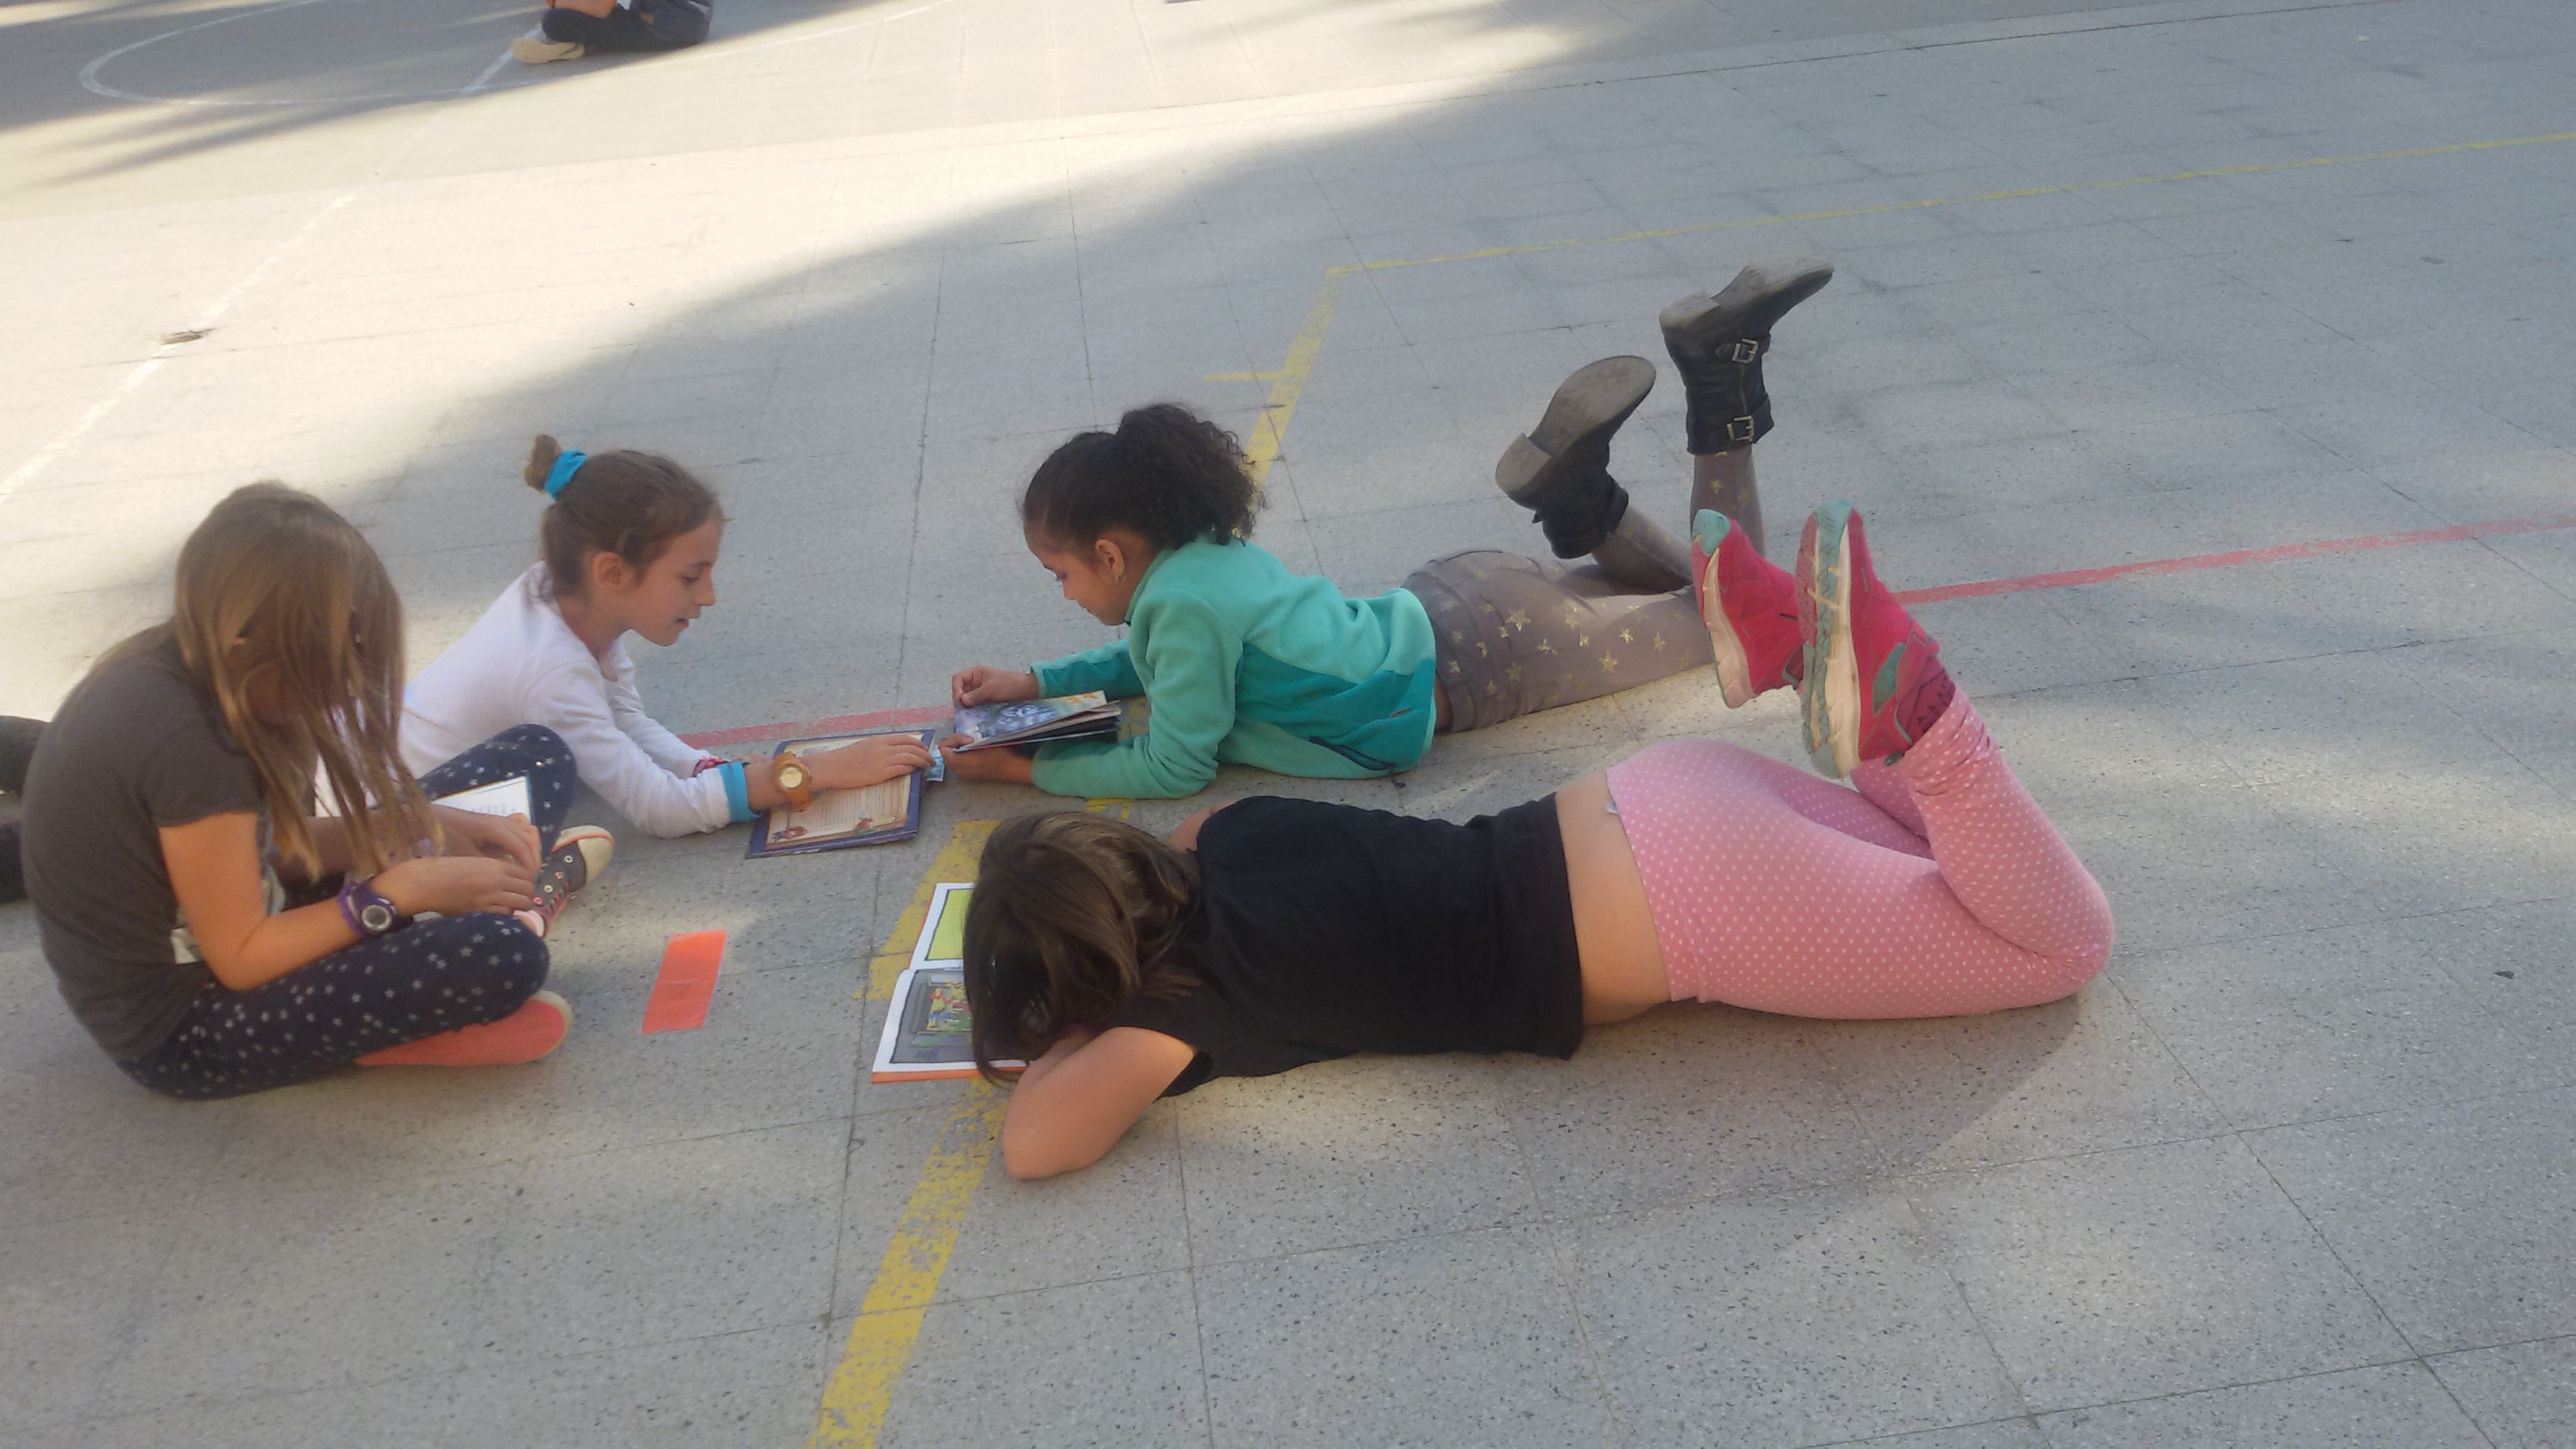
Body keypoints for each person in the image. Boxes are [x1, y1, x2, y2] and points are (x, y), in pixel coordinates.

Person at [958, 500, 2115, 1178]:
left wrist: (1072, 1014)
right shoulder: (1234, 836)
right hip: (1653, 796)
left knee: (2059, 951)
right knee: (1935, 864)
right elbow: (1190, 823)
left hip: (1691, 901)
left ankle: (1925, 717)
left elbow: (1034, 1144)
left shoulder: (1180, 1008)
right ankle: (1806, 648)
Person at [943, 256, 1835, 799]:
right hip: (1462, 602)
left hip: (1492, 654)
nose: (1064, 592)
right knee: (1704, 597)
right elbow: (1150, 660)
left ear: (1110, 554)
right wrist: (1035, 680)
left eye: (1062, 573)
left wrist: (1031, 770)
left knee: (1742, 615)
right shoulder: (1197, 560)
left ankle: (1716, 381)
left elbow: (1176, 767)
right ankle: (1581, 502)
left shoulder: (1179, 607)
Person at [21, 485, 617, 1100]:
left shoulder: (208, 669)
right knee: (503, 955)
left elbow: (269, 848)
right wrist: (400, 891)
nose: (353, 679)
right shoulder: (192, 744)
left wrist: (416, 825)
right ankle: (512, 915)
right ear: (249, 641)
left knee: (536, 752)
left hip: (254, 914)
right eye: (339, 656)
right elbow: (241, 957)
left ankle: (495, 898)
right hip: (190, 1022)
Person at [401, 437, 931, 839]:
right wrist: (813, 772)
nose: (708, 597)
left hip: (397, 777)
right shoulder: (551, 670)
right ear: (613, 572)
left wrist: (708, 769)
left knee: (560, 761)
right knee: (551, 771)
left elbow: (622, 720)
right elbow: (662, 810)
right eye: (689, 577)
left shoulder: (573, 595)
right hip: (393, 817)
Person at [511, 0, 712, 65]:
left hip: (668, 28)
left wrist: (556, 2)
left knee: (555, 20)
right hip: (691, 19)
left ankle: (579, 44)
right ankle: (582, 43)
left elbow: (601, 9)